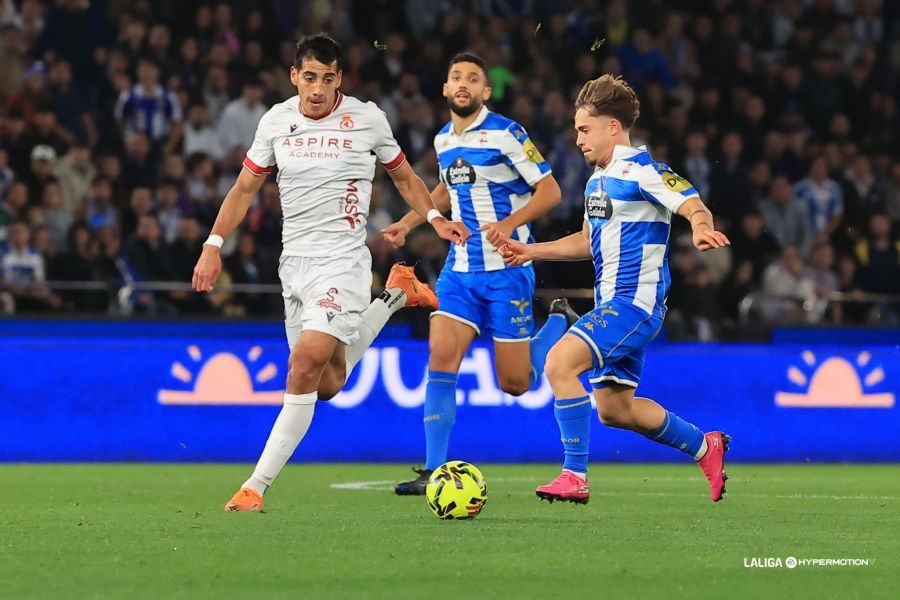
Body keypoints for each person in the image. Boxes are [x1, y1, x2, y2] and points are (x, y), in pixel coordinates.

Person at [191, 34, 470, 512]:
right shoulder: (276, 121)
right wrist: (213, 245)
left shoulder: (367, 119)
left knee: (303, 364)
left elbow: (404, 177)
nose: (318, 88)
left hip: (342, 263)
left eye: (327, 78)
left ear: (339, 78)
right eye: (309, 78)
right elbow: (243, 190)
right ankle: (396, 295)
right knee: (328, 382)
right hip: (293, 267)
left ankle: (254, 486)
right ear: (294, 77)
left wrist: (434, 218)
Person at [496, 75, 732, 503]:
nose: (578, 140)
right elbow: (587, 242)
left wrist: (700, 228)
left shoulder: (645, 171)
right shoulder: (596, 182)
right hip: (612, 306)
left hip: (635, 304)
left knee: (558, 364)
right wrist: (531, 251)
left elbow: (693, 203)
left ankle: (574, 475)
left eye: (585, 130)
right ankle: (704, 446)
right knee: (614, 410)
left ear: (612, 127)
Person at [382, 53, 577, 495]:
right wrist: (409, 222)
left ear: (485, 91)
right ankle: (433, 469)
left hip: (507, 270)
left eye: (473, 78)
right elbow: (445, 190)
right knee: (440, 357)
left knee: (515, 384)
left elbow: (550, 191)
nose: (463, 83)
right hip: (461, 270)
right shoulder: (443, 140)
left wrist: (509, 224)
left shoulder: (508, 133)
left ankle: (558, 323)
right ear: (445, 89)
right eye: (456, 77)